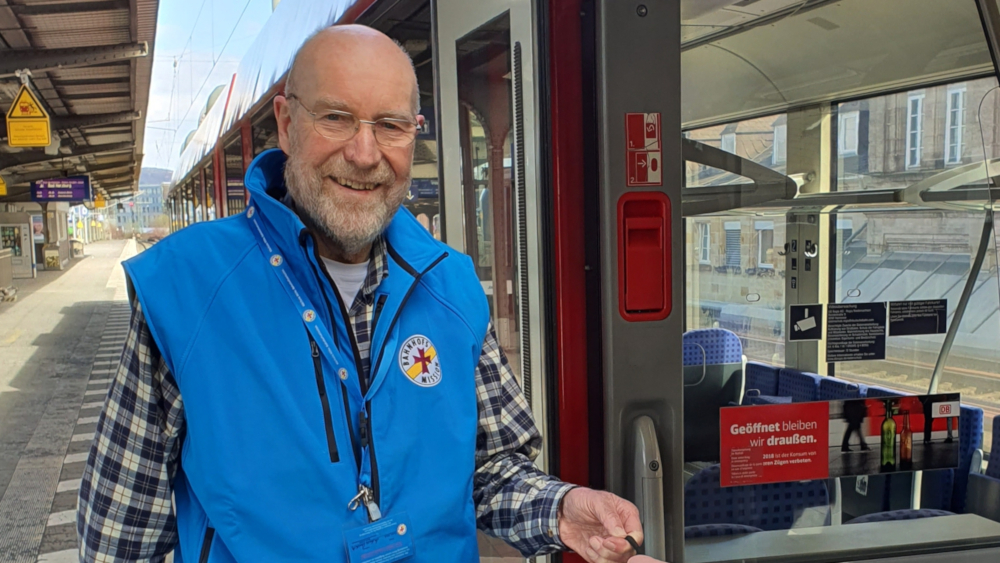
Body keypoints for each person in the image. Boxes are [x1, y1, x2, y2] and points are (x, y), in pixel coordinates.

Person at [76, 25, 643, 563]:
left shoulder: (450, 283)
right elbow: (120, 539)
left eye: (391, 126)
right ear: (287, 123)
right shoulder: (188, 289)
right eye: (337, 118)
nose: (366, 153)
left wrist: (562, 511)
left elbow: (489, 469)